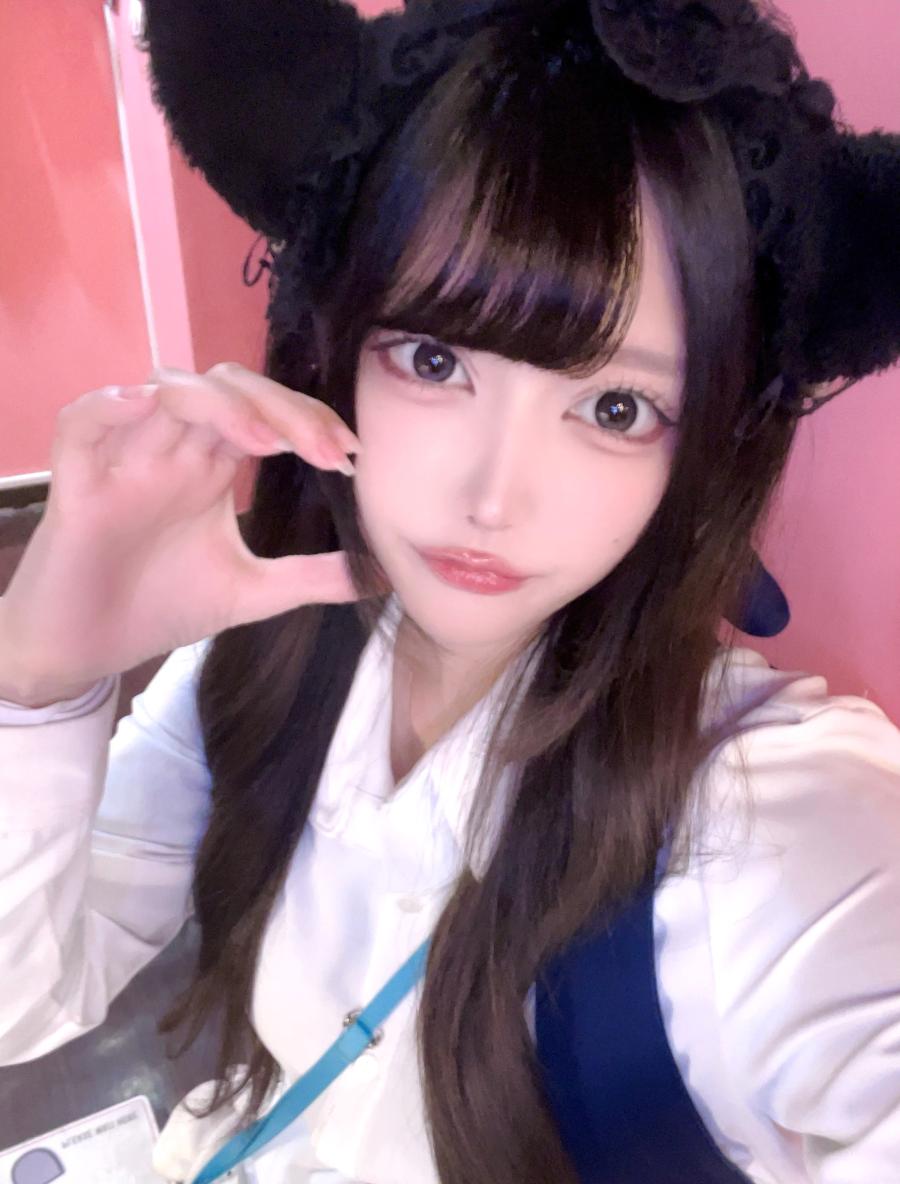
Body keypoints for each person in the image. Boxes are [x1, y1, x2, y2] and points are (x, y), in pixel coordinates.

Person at [1, 1, 898, 1181]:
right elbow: (22, 1001)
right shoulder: (270, 656)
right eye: (435, 359)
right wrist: (37, 680)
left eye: (615, 407)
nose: (494, 497)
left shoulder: (766, 820)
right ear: (337, 346)